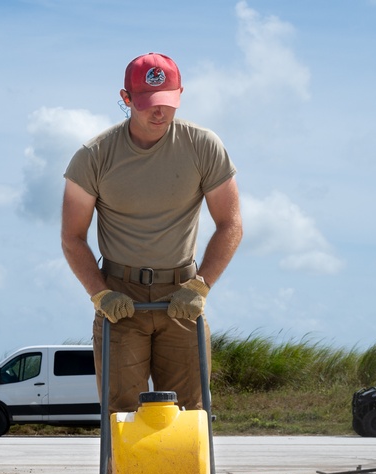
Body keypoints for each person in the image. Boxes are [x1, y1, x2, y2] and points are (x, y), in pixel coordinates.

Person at [61, 52, 243, 414]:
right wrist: (101, 294)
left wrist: (201, 285)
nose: (159, 113)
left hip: (182, 293)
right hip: (120, 298)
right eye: (147, 104)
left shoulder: (203, 145)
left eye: (167, 103)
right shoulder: (94, 156)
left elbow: (231, 224)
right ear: (126, 99)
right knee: (122, 412)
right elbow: (72, 237)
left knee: (190, 412)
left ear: (180, 94)